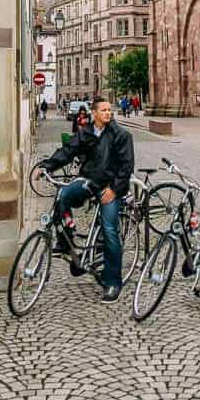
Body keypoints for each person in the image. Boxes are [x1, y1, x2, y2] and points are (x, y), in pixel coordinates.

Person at [40, 97, 134, 302]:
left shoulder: (120, 135)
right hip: (89, 180)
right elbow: (68, 150)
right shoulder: (86, 132)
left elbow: (127, 166)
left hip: (110, 187)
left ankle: (112, 283)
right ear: (94, 113)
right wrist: (47, 165)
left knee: (109, 230)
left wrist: (115, 189)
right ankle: (67, 240)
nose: (108, 113)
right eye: (104, 110)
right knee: (63, 196)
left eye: (110, 110)